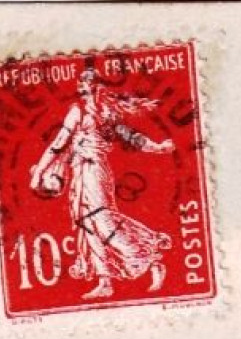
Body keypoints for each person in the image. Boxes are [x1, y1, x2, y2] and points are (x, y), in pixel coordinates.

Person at [29, 69, 176, 300]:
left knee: (102, 221)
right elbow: (130, 136)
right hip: (83, 171)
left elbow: (58, 144)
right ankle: (104, 280)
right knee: (87, 224)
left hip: (93, 170)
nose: (81, 87)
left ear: (90, 87)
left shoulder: (83, 112)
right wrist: (156, 147)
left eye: (85, 83)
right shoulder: (101, 111)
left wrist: (39, 170)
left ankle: (148, 261)